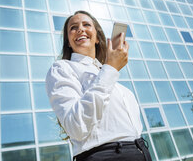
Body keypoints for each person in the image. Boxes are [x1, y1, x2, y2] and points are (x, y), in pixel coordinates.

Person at [45, 10, 152, 161]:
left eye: (86, 24)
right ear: (68, 41)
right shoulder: (62, 69)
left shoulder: (111, 79)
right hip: (106, 156)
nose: (80, 29)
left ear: (97, 38)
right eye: (73, 27)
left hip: (141, 151)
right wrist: (111, 68)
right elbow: (76, 126)